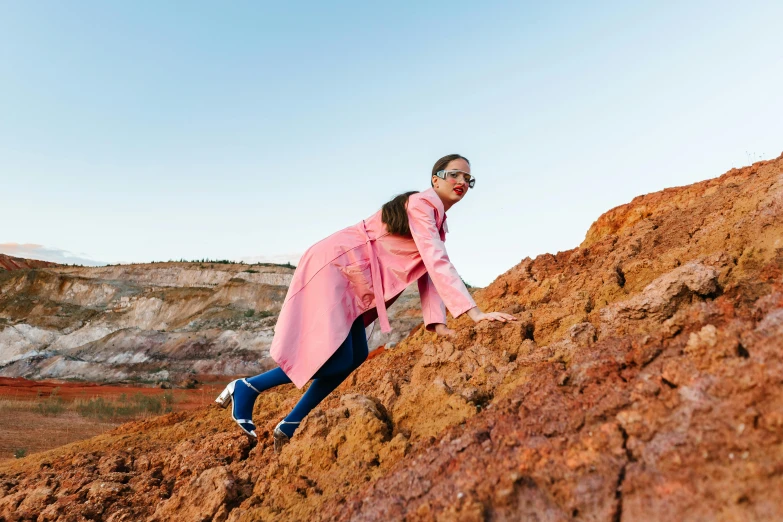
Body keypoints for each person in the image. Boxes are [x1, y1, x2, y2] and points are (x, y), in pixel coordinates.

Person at [215, 154, 517, 452]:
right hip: (338, 264)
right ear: (435, 178)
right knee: (337, 354)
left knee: (356, 354)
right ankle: (249, 387)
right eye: (455, 174)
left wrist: (437, 323)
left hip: (355, 277)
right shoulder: (422, 204)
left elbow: (427, 271)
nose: (462, 181)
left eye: (468, 178)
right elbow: (436, 260)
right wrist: (474, 313)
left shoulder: (436, 220)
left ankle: (290, 424)